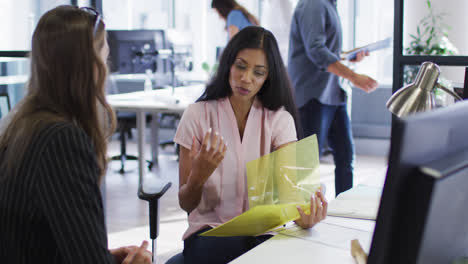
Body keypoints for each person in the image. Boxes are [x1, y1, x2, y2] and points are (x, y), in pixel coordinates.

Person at [0, 6, 151, 264]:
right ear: (89, 67)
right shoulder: (62, 141)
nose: (107, 69)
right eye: (105, 58)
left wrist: (107, 258)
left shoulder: (21, 123)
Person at [174, 26, 328, 264]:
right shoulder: (197, 116)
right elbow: (186, 203)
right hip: (209, 235)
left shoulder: (279, 120)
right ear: (228, 64)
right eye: (241, 66)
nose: (246, 78)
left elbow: (291, 198)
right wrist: (199, 176)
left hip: (262, 236)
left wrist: (305, 216)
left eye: (258, 72)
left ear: (268, 77)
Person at [288, 0, 379, 196]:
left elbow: (324, 49)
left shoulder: (328, 5)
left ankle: (345, 211)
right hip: (313, 96)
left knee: (346, 158)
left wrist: (346, 56)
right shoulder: (314, 4)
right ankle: (301, 217)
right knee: (307, 167)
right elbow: (316, 51)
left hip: (333, 94)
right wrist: (353, 76)